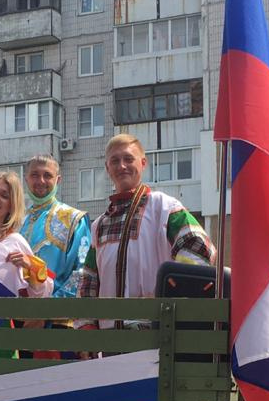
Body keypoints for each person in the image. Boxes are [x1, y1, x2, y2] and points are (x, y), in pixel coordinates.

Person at [78, 134, 214, 328]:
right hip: (108, 339)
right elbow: (89, 278)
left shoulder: (164, 207)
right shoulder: (99, 224)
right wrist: (86, 323)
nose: (122, 166)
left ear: (143, 163)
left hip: (155, 332)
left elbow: (199, 247)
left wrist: (170, 294)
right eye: (115, 161)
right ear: (107, 168)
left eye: (128, 159)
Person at [20, 155, 90, 299]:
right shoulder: (17, 220)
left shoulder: (73, 219)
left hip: (56, 315)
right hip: (15, 314)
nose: (41, 181)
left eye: (47, 175)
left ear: (58, 180)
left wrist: (48, 311)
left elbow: (82, 271)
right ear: (26, 179)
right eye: (35, 175)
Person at [0, 171, 51, 298]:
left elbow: (42, 295)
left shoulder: (15, 242)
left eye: (4, 195)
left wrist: (29, 267)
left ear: (11, 206)